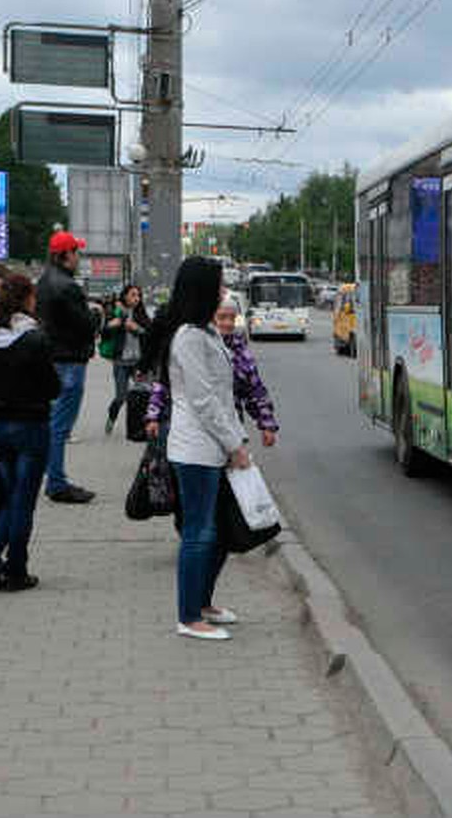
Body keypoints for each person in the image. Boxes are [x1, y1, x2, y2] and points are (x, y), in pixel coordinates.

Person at [159, 257, 250, 641]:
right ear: (201, 290)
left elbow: (222, 397)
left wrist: (235, 439)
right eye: (218, 285)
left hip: (212, 446)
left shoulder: (205, 332)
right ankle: (188, 616)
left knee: (215, 531)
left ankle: (203, 602)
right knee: (199, 532)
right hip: (196, 448)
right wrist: (235, 445)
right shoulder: (189, 337)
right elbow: (204, 400)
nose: (224, 291)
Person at [0, 274, 62, 591]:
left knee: (4, 498)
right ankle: (13, 570)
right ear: (27, 298)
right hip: (31, 427)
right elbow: (52, 386)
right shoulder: (34, 337)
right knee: (21, 503)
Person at [145, 294, 279, 448]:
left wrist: (267, 424)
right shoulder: (192, 343)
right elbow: (165, 382)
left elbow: (254, 389)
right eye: (222, 317)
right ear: (210, 318)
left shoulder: (239, 350)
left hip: (230, 430)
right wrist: (153, 416)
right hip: (193, 432)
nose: (228, 323)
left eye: (232, 318)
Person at [37, 231, 97, 503]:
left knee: (53, 424)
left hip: (52, 358)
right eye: (76, 252)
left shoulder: (44, 281)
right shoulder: (68, 286)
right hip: (70, 361)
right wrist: (95, 314)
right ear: (65, 255)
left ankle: (52, 476)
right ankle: (56, 483)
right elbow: (85, 324)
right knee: (60, 426)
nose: (78, 257)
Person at [103, 284, 150, 435]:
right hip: (121, 362)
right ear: (125, 296)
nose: (136, 298)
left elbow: (150, 334)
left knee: (142, 395)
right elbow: (104, 333)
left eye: (138, 295)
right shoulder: (116, 312)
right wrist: (111, 325)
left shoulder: (141, 314)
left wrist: (137, 328)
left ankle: (139, 427)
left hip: (138, 362)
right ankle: (111, 417)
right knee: (121, 397)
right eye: (133, 295)